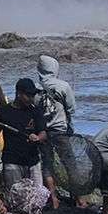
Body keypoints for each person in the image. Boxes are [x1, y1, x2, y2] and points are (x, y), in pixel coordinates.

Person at [34, 54, 76, 206]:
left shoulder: (35, 89)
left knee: (47, 164)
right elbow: (71, 109)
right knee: (70, 164)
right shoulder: (63, 86)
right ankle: (78, 198)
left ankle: (53, 198)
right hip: (60, 131)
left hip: (43, 133)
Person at [0, 78, 49, 195]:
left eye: (33, 95)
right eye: (28, 95)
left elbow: (43, 133)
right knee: (16, 197)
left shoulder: (35, 111)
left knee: (38, 196)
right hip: (12, 162)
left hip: (33, 161)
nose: (31, 98)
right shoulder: (4, 111)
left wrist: (38, 138)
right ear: (19, 94)